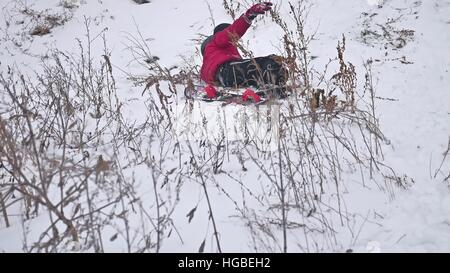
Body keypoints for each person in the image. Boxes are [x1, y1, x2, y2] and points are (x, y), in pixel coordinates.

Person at [200, 2, 287, 99]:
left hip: (225, 77)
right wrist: (249, 16)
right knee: (267, 62)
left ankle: (269, 83)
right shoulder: (217, 39)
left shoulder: (211, 56)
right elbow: (232, 31)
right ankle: (274, 81)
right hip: (226, 71)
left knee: (252, 69)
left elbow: (205, 75)